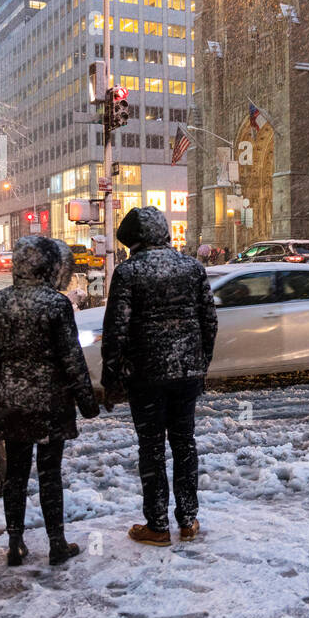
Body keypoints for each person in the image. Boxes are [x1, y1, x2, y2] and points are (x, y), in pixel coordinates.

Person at [101, 206, 218, 547]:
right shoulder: (193, 268)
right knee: (184, 444)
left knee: (151, 449)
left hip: (146, 376)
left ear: (134, 241)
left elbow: (116, 331)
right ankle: (188, 519)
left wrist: (112, 378)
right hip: (186, 374)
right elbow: (209, 321)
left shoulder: (128, 272)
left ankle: (157, 525)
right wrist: (201, 363)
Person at [0, 236, 99, 567]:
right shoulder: (55, 304)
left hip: (12, 402)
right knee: (50, 473)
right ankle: (57, 543)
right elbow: (72, 359)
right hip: (51, 403)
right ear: (48, 266)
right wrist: (87, 402)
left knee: (15, 474)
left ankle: (15, 543)